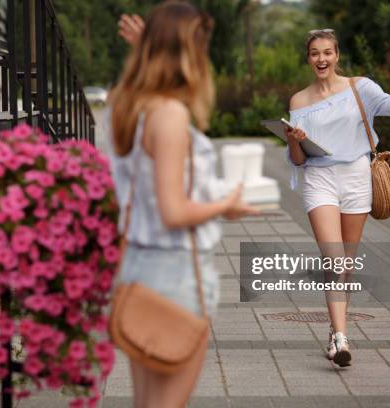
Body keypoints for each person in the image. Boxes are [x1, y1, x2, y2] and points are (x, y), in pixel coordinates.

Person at [107, 2, 258, 407]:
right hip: (175, 274)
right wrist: (226, 203)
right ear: (188, 51)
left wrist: (148, 47)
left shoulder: (128, 106)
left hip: (138, 268)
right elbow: (174, 212)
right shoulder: (170, 115)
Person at [285, 29, 390, 367]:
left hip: (357, 178)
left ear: (337, 55)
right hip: (319, 178)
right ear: (308, 58)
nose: (321, 59)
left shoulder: (359, 87)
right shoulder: (298, 101)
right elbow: (299, 159)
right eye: (315, 53)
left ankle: (335, 331)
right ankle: (341, 337)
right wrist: (294, 140)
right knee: (334, 260)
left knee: (345, 264)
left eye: (327, 53)